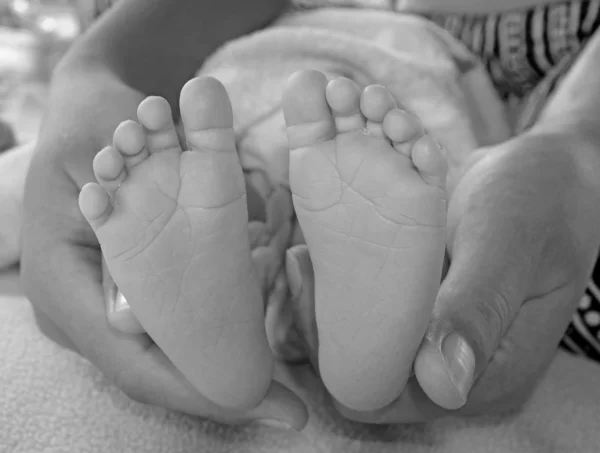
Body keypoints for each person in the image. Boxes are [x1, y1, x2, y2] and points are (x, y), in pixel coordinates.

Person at [20, 0, 600, 429]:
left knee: (228, 182)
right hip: (415, 115)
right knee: (408, 207)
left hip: (256, 108)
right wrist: (91, 69)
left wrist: (577, 141)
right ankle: (353, 352)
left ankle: (247, 296)